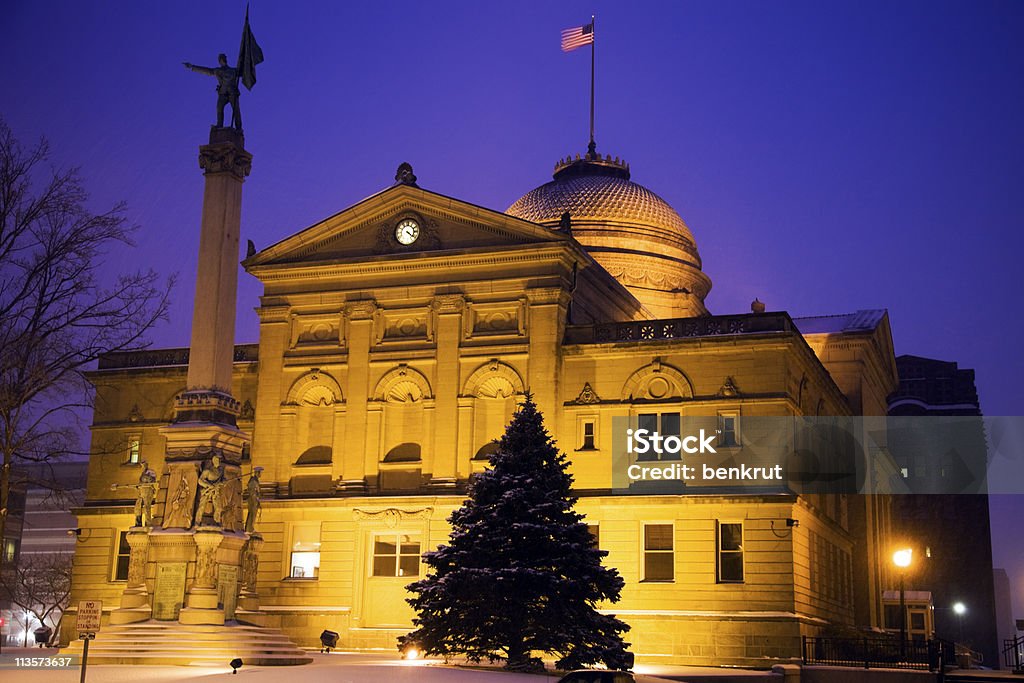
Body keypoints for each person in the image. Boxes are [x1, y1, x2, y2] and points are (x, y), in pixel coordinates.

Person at [183, 53, 242, 129]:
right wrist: (192, 67)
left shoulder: (233, 70)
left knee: (236, 110)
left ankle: (239, 128)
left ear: (222, 60)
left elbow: (244, 72)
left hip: (232, 94)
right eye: (220, 59)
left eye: (221, 59)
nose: (220, 60)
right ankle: (219, 125)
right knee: (219, 108)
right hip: (223, 94)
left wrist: (246, 63)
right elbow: (207, 70)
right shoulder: (217, 70)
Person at [196, 454, 226, 525]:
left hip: (216, 491)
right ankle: (197, 521)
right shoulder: (207, 471)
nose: (218, 462)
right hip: (207, 491)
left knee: (218, 507)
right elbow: (200, 480)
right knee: (201, 506)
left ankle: (217, 521)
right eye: (217, 460)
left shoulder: (220, 471)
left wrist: (224, 482)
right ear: (213, 461)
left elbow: (222, 480)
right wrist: (208, 485)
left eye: (219, 460)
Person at [244, 467, 263, 533]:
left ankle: (251, 527)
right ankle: (249, 528)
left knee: (254, 514)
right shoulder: (253, 481)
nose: (260, 474)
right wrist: (256, 497)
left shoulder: (256, 480)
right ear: (257, 473)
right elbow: (251, 491)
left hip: (255, 499)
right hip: (252, 499)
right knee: (252, 513)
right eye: (260, 472)